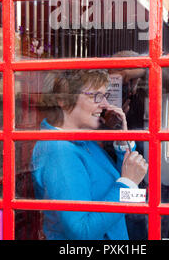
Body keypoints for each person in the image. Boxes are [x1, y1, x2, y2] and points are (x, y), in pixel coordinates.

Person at [31, 69, 148, 240]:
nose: (106, 105)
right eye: (96, 96)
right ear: (63, 100)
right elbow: (82, 231)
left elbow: (120, 188)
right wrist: (128, 184)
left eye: (105, 96)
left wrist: (122, 141)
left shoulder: (84, 141)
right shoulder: (59, 151)